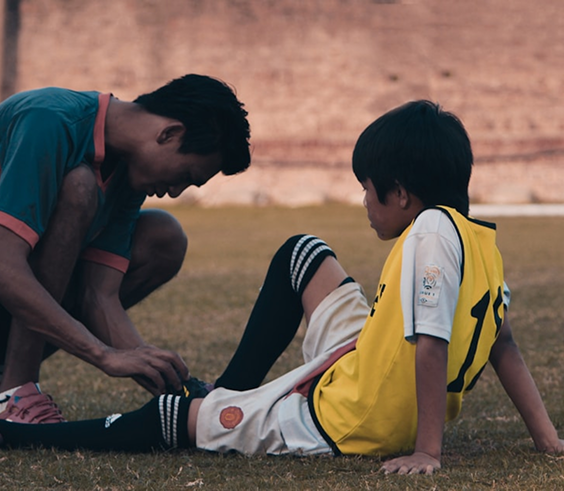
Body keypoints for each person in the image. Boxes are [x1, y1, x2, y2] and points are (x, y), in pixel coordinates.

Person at [0, 100, 561, 475]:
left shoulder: (430, 232)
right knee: (303, 254)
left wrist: (427, 451)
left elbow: (432, 344)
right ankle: (230, 392)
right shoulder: (479, 241)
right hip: (367, 362)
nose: (364, 203)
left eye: (367, 189)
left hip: (354, 415)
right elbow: (503, 343)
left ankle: (17, 437)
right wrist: (547, 438)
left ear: (400, 193)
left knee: (179, 419)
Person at [0, 74, 251, 423]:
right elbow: (5, 265)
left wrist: (168, 380)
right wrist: (102, 354)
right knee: (80, 186)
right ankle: (13, 394)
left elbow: (98, 295)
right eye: (185, 176)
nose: (175, 191)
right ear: (169, 133)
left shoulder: (128, 173)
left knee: (164, 236)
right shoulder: (48, 119)